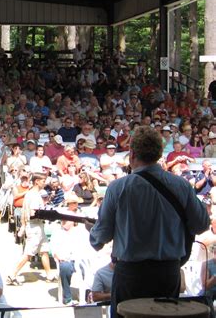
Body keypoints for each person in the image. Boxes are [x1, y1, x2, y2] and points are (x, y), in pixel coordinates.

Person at [89, 126, 210, 317]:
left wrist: (94, 232)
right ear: (159, 153)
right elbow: (201, 224)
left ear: (132, 153)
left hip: (131, 275)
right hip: (167, 273)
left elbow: (99, 237)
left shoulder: (118, 188)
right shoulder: (181, 186)